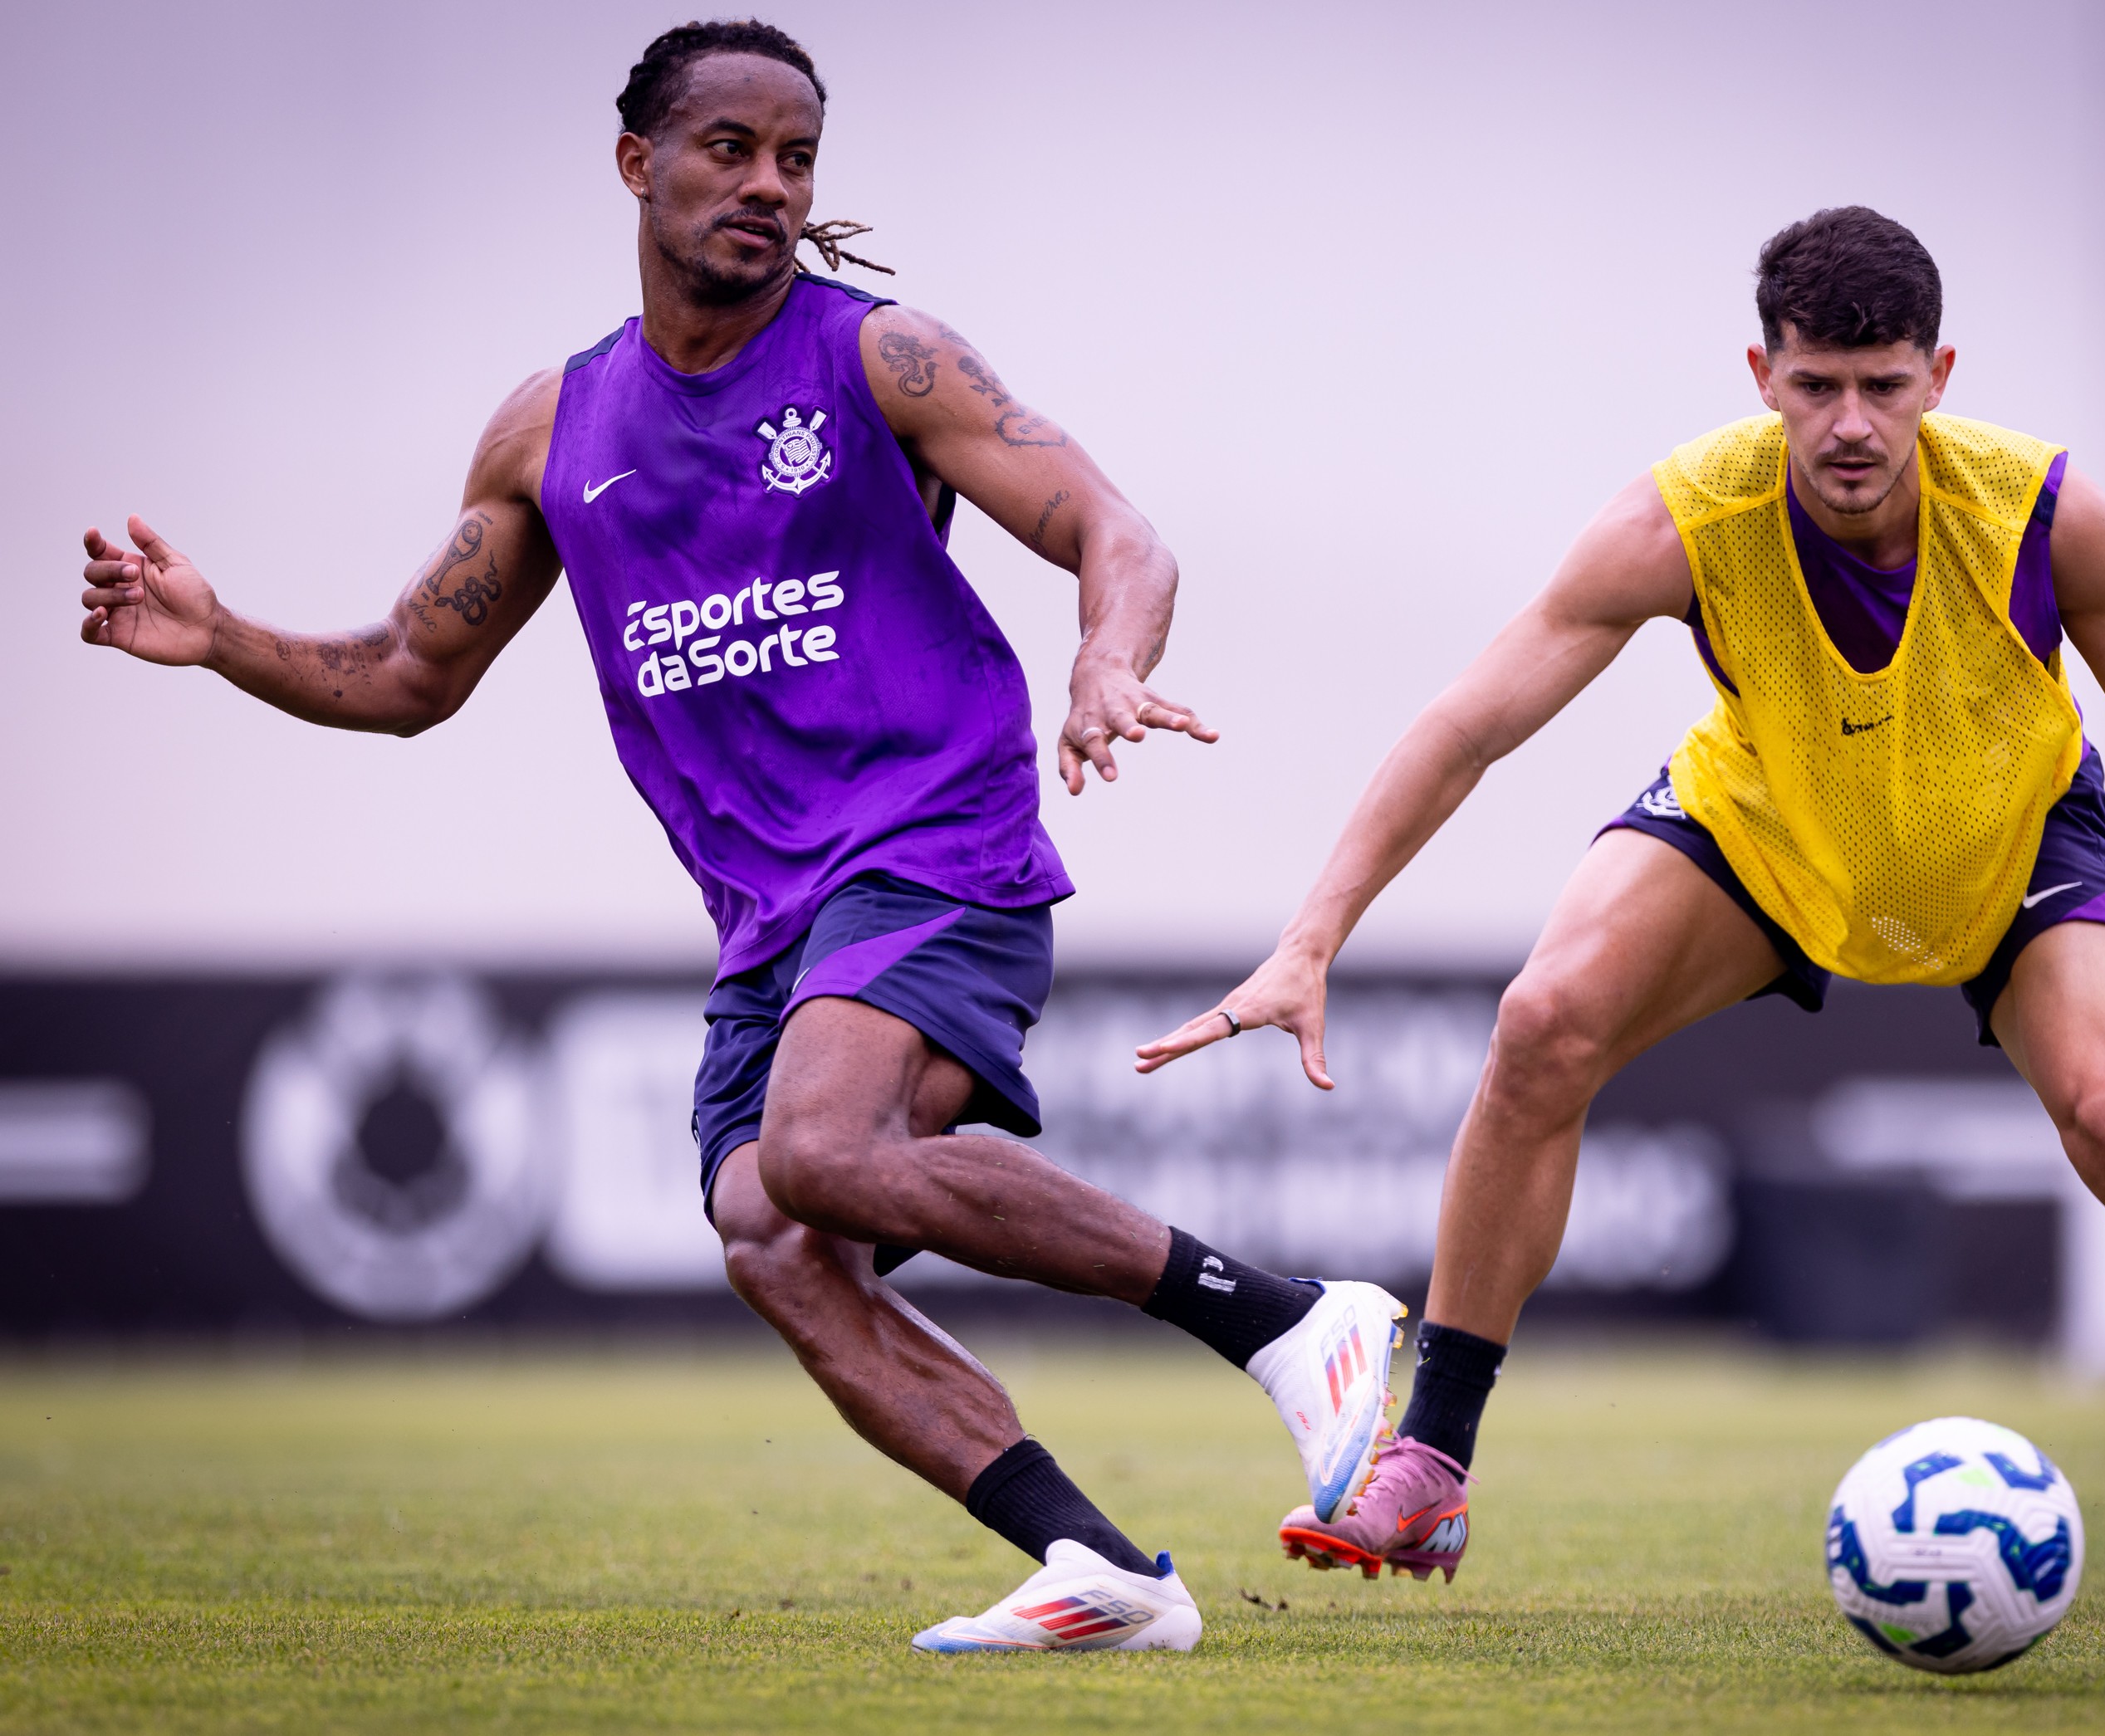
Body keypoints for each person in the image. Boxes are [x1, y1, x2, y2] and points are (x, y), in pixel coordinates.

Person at [76, 18, 1406, 1655]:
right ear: (638, 164)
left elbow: (1114, 528)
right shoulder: (552, 428)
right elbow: (413, 674)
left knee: (821, 1152)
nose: (768, 186)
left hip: (936, 840)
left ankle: (1291, 1321)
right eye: (731, 149)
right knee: (772, 1234)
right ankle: (1101, 1564)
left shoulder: (878, 359)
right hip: (770, 911)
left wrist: (1107, 656)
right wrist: (223, 637)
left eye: (796, 158)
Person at [1139, 206, 2105, 1624]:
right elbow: (1468, 723)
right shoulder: (1687, 518)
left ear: (1941, 374)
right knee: (1541, 1024)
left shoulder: (2049, 513)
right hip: (1776, 826)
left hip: (2012, 838)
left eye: (1884, 385)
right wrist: (1314, 938)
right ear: (1763, 373)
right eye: (1817, 386)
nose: (1850, 423)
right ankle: (1430, 1461)